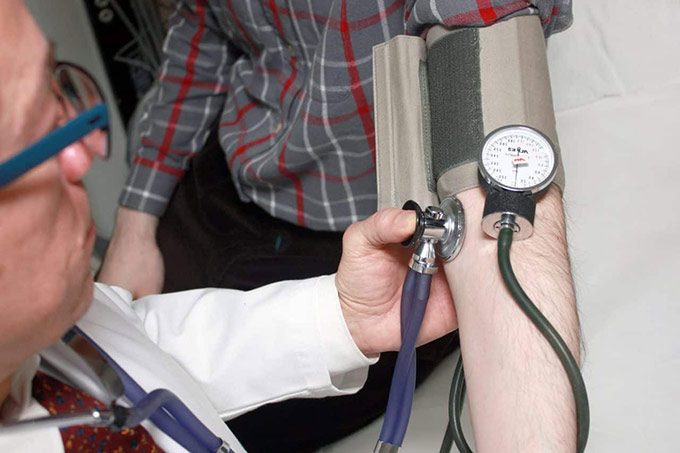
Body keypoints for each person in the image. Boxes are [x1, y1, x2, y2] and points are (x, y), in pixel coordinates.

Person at [97, 1, 574, 450]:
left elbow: (487, 62)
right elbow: (201, 30)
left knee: (234, 434)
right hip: (223, 188)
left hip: (369, 243)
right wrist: (135, 223)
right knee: (108, 386)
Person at [0, 2, 460, 451]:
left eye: (55, 97)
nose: (87, 154)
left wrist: (339, 320)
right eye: (36, 137)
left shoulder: (45, 344)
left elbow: (146, 353)